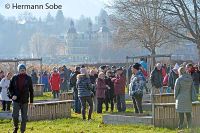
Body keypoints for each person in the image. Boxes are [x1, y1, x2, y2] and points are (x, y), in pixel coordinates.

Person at [8, 64, 34, 133]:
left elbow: (31, 90)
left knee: (24, 118)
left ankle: (22, 131)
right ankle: (16, 127)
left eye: (23, 70)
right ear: (18, 70)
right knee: (15, 116)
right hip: (16, 100)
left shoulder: (29, 78)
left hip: (25, 100)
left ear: (25, 70)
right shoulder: (14, 78)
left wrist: (31, 101)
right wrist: (12, 95)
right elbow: (10, 89)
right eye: (21, 70)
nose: (22, 71)